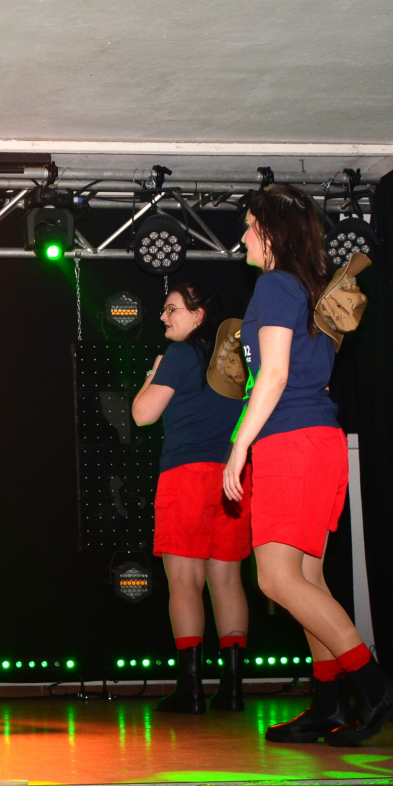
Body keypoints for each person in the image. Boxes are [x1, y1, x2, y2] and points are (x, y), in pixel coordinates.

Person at [223, 185, 393, 746]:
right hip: (316, 442)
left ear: (270, 232)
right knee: (305, 578)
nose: (243, 236)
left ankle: (374, 686)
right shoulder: (304, 288)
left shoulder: (275, 285)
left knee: (276, 578)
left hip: (292, 443)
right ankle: (329, 702)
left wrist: (239, 446)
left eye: (249, 226)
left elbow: (274, 374)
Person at [133, 283, 251, 715]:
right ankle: (233, 689)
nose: (163, 317)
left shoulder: (180, 355)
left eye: (172, 310)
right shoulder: (234, 360)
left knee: (184, 582)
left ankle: (191, 689)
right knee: (228, 580)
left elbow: (142, 415)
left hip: (186, 476)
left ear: (198, 316)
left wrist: (153, 373)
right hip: (233, 477)